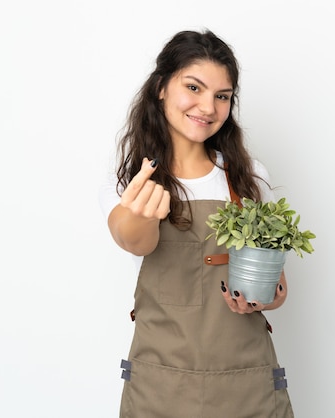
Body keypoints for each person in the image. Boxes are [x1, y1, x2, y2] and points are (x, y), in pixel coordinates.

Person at [99, 29, 294, 418]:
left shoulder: (248, 177)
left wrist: (262, 297)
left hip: (247, 385)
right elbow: (132, 239)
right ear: (161, 88)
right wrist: (139, 214)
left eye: (222, 96)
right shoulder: (132, 181)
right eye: (194, 87)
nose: (208, 107)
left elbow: (279, 289)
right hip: (162, 388)